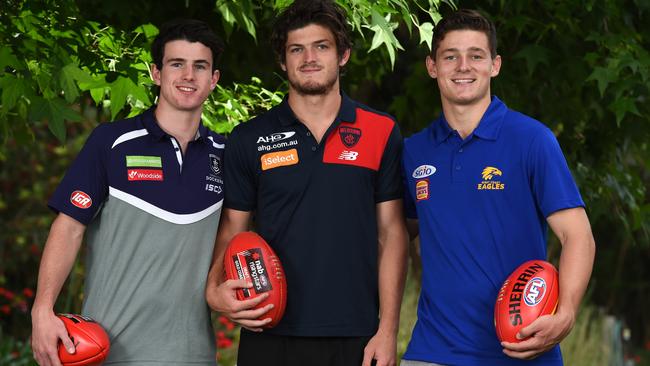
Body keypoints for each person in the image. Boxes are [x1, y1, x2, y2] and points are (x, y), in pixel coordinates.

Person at [204, 1, 408, 365]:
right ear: (283, 61)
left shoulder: (381, 130)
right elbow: (233, 229)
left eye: (322, 46)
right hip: (269, 328)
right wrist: (213, 288)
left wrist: (387, 330)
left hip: (356, 333)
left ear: (343, 54)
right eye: (296, 49)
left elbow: (391, 232)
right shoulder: (249, 138)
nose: (308, 57)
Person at [400, 9, 596, 366]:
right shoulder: (414, 151)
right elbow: (395, 235)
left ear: (495, 65)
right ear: (432, 66)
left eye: (476, 56)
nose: (463, 66)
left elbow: (578, 236)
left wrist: (565, 315)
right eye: (450, 57)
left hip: (522, 347)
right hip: (433, 351)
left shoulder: (532, 140)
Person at [31, 19, 225, 366]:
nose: (188, 76)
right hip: (108, 352)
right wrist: (42, 310)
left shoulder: (225, 155)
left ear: (214, 79)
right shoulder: (111, 142)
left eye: (200, 66)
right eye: (176, 64)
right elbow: (69, 227)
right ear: (156, 73)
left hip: (193, 355)